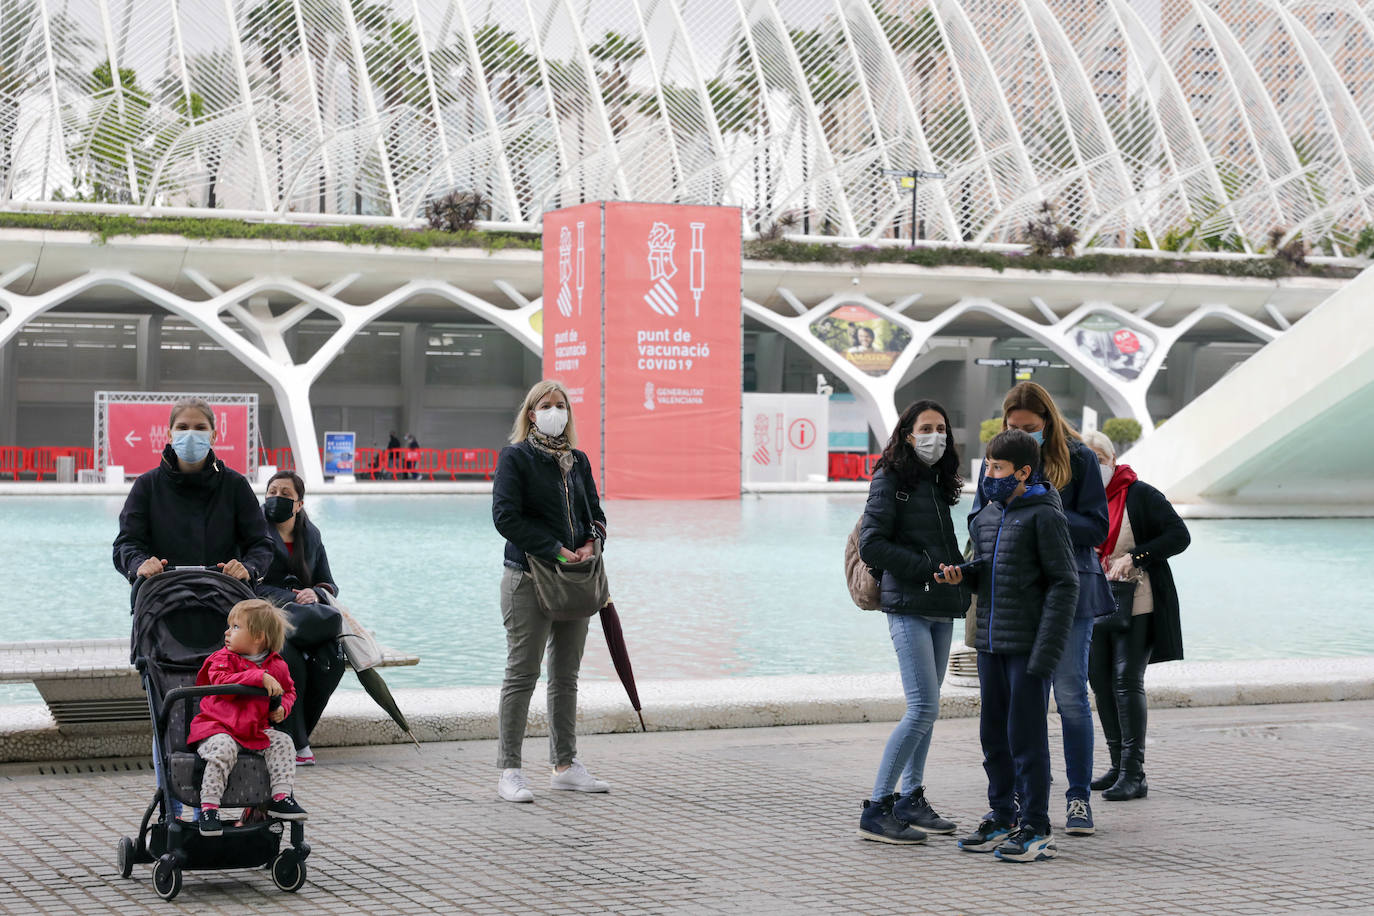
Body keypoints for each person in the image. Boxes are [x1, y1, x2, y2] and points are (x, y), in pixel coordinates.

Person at [969, 382, 1110, 836]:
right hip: (1016, 597)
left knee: (1070, 695)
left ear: (1047, 421)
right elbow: (979, 517)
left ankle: (1077, 798)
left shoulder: (1079, 457)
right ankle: (1016, 803)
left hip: (1068, 590)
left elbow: (1097, 527)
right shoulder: (1000, 462)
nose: (1023, 434)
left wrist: (1039, 511)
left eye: (1030, 428)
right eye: (1014, 427)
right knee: (1013, 708)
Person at [939, 430, 1078, 863]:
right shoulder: (986, 518)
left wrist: (1046, 653)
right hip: (990, 646)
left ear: (1023, 472)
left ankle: (1037, 826)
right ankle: (1003, 815)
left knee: (1026, 738)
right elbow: (996, 569)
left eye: (998, 468)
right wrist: (967, 574)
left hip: (1028, 650)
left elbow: (1064, 584)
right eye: (987, 466)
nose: (989, 475)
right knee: (993, 736)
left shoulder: (1045, 516)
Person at [490, 380, 609, 803]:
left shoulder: (577, 461)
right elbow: (505, 517)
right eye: (546, 405)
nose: (555, 411)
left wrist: (591, 543)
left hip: (575, 581)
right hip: (528, 577)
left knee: (566, 677)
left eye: (561, 405)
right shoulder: (516, 458)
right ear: (530, 413)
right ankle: (510, 770)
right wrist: (555, 549)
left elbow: (595, 513)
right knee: (522, 675)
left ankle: (565, 765)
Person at [855, 400, 968, 845]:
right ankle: (878, 806)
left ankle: (911, 798)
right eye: (926, 428)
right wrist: (927, 569)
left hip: (942, 606)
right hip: (907, 606)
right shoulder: (889, 477)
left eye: (941, 428)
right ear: (907, 433)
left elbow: (943, 545)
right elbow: (872, 545)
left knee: (929, 710)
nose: (935, 436)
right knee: (923, 707)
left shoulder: (939, 483)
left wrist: (959, 572)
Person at [1083, 430, 1191, 802]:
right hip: (1094, 602)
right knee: (1099, 680)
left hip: (1140, 601)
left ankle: (1135, 772)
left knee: (1126, 680)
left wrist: (1137, 556)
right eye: (1088, 457)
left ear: (1113, 460)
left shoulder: (1141, 494)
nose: (1095, 464)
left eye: (1100, 457)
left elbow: (1179, 536)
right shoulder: (1080, 500)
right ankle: (1117, 764)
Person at [113, 397, 273, 590]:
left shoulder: (235, 485)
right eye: (182, 427)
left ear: (213, 436)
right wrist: (139, 564)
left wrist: (249, 568)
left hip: (223, 597)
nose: (190, 434)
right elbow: (126, 543)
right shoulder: (147, 486)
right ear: (169, 435)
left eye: (200, 428)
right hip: (162, 598)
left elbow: (261, 543)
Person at [188, 598, 307, 836]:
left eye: (235, 627)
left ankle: (281, 796)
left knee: (283, 742)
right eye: (229, 626)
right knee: (223, 749)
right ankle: (209, 807)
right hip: (217, 727)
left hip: (254, 731)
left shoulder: (277, 666)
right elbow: (221, 681)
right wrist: (258, 678)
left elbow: (289, 690)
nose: (227, 632)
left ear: (258, 637)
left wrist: (282, 706)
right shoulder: (222, 659)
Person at [255, 470, 346, 766]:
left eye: (284, 495)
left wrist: (314, 593)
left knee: (333, 659)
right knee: (288, 657)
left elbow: (328, 583)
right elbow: (250, 583)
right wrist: (291, 597)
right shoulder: (254, 531)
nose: (275, 499)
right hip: (268, 617)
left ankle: (296, 735)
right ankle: (298, 744)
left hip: (305, 618)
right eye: (271, 492)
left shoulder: (311, 534)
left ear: (299, 504)